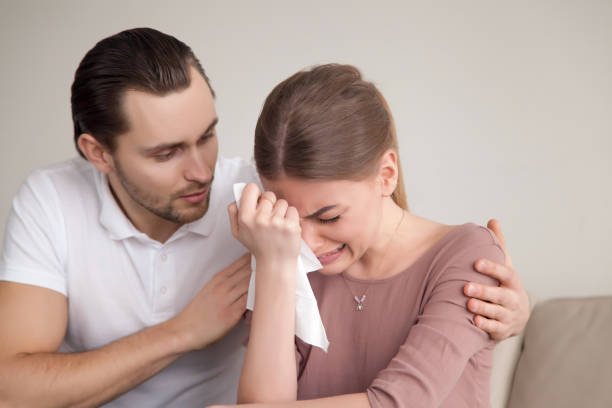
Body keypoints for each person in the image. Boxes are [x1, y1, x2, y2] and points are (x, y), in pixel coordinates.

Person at [0, 29, 528, 407]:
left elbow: (380, 226)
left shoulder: (267, 194)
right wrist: (191, 326)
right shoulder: (271, 224)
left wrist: (508, 313)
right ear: (98, 153)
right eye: (166, 153)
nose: (201, 170)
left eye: (207, 135)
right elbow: (11, 389)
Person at [225, 64, 520, 408]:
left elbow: (400, 402)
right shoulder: (282, 253)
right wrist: (274, 265)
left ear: (386, 175)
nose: (306, 242)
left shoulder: (466, 254)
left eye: (329, 217)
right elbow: (263, 402)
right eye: (288, 215)